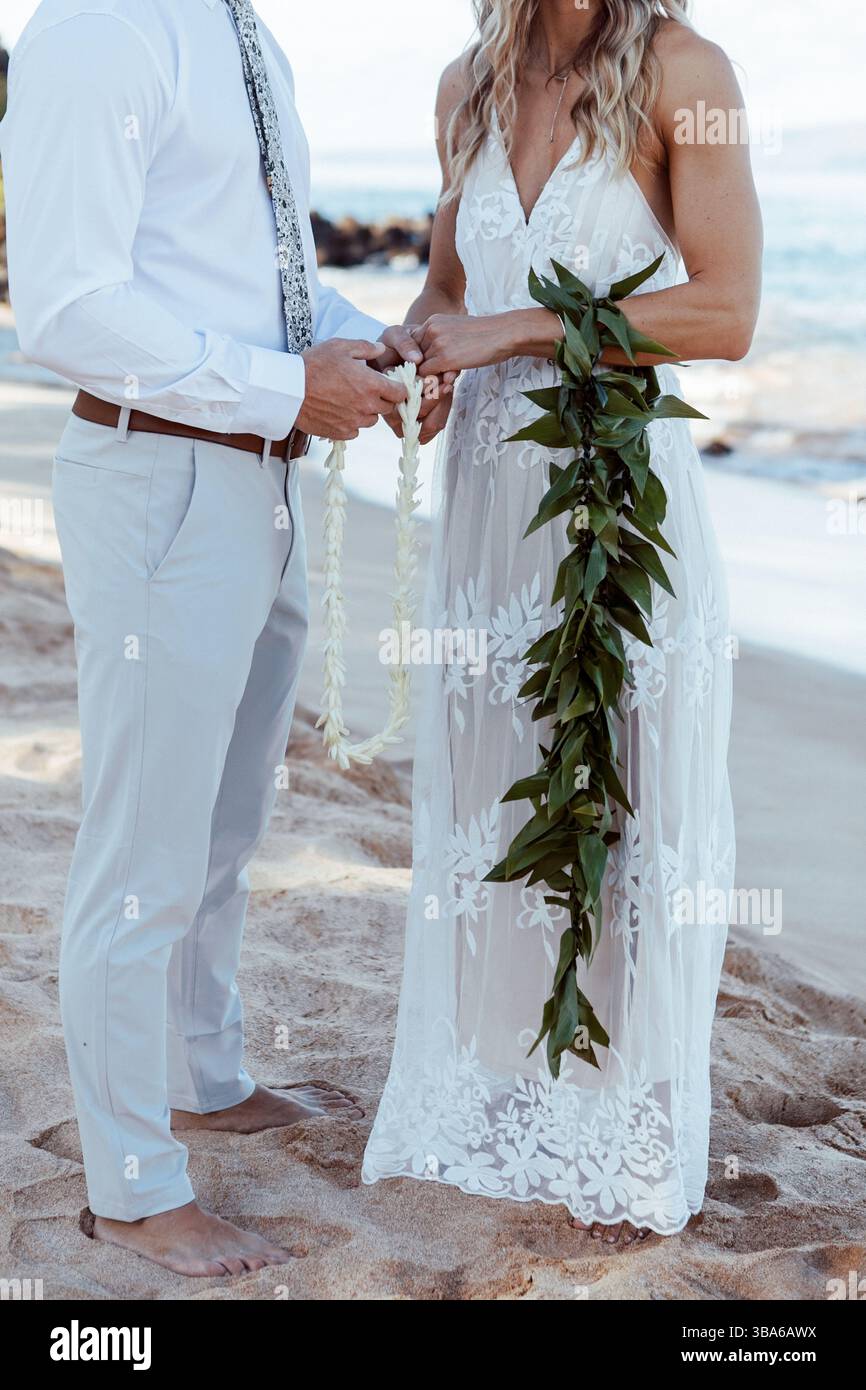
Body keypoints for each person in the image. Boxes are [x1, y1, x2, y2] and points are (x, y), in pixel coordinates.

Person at [0, 0, 423, 1277]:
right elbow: (65, 308)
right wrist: (291, 387)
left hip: (265, 476)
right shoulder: (98, 29)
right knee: (142, 851)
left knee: (226, 820)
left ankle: (199, 1069)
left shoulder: (245, 31)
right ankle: (130, 1185)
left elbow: (256, 275)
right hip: (161, 480)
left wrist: (353, 343)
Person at [363, 0, 762, 1243]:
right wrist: (425, 356)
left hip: (619, 517)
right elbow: (446, 283)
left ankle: (617, 1125)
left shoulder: (686, 74)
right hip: (488, 507)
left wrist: (520, 330)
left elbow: (725, 312)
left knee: (626, 812)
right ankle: (500, 1103)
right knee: (494, 803)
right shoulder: (463, 85)